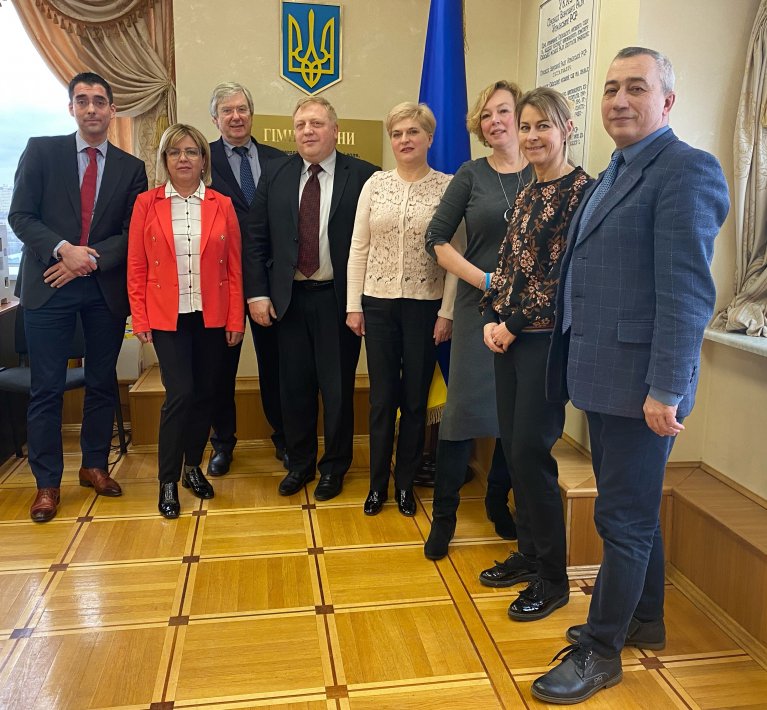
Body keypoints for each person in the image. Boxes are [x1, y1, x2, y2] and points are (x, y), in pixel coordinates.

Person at [532, 48, 729, 704]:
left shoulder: (686, 170)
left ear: (666, 102)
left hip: (643, 386)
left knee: (622, 519)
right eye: (611, 88)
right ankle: (645, 619)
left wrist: (666, 389)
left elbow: (686, 294)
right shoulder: (615, 170)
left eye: (636, 88)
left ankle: (600, 651)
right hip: (601, 375)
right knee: (634, 511)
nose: (619, 99)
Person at [9, 72, 147, 523]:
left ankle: (94, 465)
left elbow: (131, 232)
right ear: (71, 107)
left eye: (99, 101)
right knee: (46, 389)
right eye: (83, 100)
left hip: (102, 289)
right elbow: (20, 215)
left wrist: (84, 259)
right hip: (49, 284)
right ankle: (47, 483)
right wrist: (62, 249)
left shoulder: (131, 167)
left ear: (112, 110)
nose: (91, 108)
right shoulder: (42, 151)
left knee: (102, 381)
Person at [478, 88, 591, 620]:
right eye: (525, 127)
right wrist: (490, 315)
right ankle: (529, 553)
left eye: (542, 125)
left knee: (530, 453)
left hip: (544, 342)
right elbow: (507, 265)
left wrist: (513, 324)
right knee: (513, 448)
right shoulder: (527, 191)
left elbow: (562, 277)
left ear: (566, 128)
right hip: (507, 337)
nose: (531, 136)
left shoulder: (582, 192)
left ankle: (553, 578)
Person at [244, 97, 378, 502]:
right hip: (288, 301)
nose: (308, 131)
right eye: (301, 124)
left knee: (337, 390)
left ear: (335, 130)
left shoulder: (365, 176)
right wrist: (257, 293)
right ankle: (300, 463)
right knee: (294, 389)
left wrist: (362, 302)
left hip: (338, 301)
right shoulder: (276, 173)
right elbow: (255, 238)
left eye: (317, 123)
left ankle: (334, 466)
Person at [423, 80, 533, 559]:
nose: (495, 121)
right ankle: (443, 518)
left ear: (522, 115)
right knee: (462, 414)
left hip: (531, 316)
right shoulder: (471, 174)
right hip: (478, 310)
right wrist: (485, 280)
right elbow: (436, 239)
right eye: (486, 115)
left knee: (516, 416)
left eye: (503, 111)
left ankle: (496, 501)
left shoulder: (546, 171)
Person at [127, 124, 244, 519]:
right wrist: (139, 316)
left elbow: (234, 268)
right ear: (164, 159)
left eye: (192, 152)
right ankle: (167, 480)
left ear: (203, 160)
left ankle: (193, 467)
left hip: (212, 315)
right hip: (167, 317)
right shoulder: (147, 203)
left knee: (206, 393)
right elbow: (137, 266)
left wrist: (235, 318)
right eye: (175, 152)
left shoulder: (221, 203)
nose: (183, 159)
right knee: (180, 394)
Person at [346, 102, 456, 517]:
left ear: (429, 138)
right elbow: (359, 247)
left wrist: (447, 312)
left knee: (414, 401)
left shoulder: (447, 188)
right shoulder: (375, 185)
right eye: (397, 133)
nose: (404, 140)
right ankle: (377, 485)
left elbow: (455, 255)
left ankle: (405, 485)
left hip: (425, 307)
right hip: (377, 305)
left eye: (413, 132)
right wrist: (353, 305)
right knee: (381, 399)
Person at [206, 82, 287, 476]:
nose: (236, 117)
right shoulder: (200, 159)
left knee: (278, 366)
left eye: (242, 109)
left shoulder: (279, 160)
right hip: (221, 281)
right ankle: (222, 444)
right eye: (227, 111)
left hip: (270, 281)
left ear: (252, 114)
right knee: (220, 368)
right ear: (215, 118)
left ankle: (284, 438)